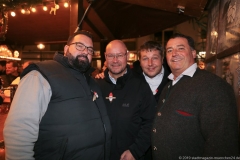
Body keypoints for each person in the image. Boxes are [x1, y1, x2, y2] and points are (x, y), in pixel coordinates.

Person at [3, 30, 112, 160]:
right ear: (66, 49)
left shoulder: (91, 82)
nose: (85, 51)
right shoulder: (40, 75)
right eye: (79, 46)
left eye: (90, 49)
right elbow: (19, 131)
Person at [152, 33, 239, 159]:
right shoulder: (168, 86)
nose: (174, 53)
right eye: (170, 50)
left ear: (193, 53)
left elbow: (222, 146)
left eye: (180, 48)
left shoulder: (213, 86)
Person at [95, 40, 156, 160]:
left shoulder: (141, 85)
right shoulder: (96, 85)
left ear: (127, 56)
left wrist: (135, 151)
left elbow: (151, 122)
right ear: (105, 57)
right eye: (111, 55)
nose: (115, 60)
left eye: (120, 55)